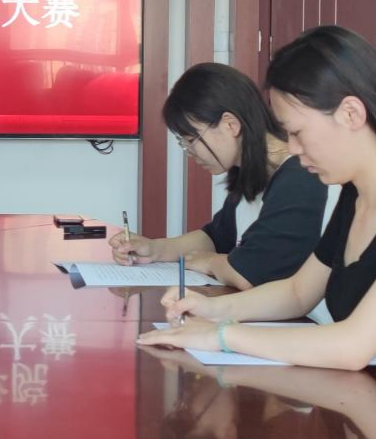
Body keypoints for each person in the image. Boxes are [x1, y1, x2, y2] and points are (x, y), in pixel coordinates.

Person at [139, 25, 376, 437]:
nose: (293, 150)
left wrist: (222, 336)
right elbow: (298, 292)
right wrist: (211, 309)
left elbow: (354, 346)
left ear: (351, 114)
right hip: (368, 415)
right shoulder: (356, 195)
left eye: (298, 132)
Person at [111, 63, 335, 288]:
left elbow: (252, 273)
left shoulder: (299, 177)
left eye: (191, 140)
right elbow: (215, 238)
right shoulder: (249, 174)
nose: (190, 152)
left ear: (230, 124)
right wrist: (154, 249)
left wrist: (210, 262)